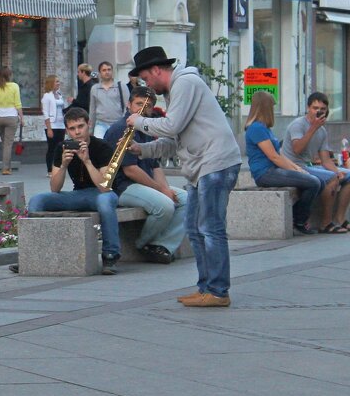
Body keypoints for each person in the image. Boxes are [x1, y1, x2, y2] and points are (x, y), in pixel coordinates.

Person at [127, 45, 242, 308]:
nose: (147, 85)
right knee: (194, 229)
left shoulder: (186, 83)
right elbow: (173, 140)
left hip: (216, 163)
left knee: (211, 229)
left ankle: (218, 290)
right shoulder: (175, 92)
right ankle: (206, 288)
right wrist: (141, 149)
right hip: (201, 167)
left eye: (146, 78)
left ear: (157, 70)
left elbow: (171, 126)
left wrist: (138, 122)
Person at [28, 107, 122, 274]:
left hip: (101, 194)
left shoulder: (103, 147)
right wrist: (63, 165)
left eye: (81, 126)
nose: (77, 132)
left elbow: (105, 187)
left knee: (105, 202)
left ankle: (110, 255)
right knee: (37, 200)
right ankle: (31, 255)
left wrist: (87, 161)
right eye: (72, 129)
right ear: (67, 131)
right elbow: (55, 189)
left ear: (89, 125)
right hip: (77, 195)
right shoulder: (62, 148)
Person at [102, 87, 187, 264]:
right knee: (165, 205)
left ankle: (162, 245)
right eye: (138, 104)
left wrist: (165, 189)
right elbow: (130, 170)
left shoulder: (146, 129)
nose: (142, 109)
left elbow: (155, 167)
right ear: (129, 104)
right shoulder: (120, 128)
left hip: (145, 185)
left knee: (187, 199)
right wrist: (162, 191)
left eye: (147, 105)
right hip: (123, 187)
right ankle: (140, 244)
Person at [243, 91, 321, 236]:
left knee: (313, 180)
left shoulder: (264, 128)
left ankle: (295, 216)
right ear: (265, 107)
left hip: (273, 170)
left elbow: (279, 155)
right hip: (265, 174)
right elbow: (274, 157)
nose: (273, 109)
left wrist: (296, 168)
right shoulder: (256, 128)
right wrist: (298, 171)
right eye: (272, 106)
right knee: (314, 182)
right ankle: (298, 220)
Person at [283, 91, 350, 233]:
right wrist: (313, 128)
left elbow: (325, 160)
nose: (318, 112)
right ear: (308, 108)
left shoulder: (322, 131)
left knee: (347, 175)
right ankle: (325, 223)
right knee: (332, 179)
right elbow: (297, 149)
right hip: (293, 167)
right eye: (315, 108)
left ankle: (339, 219)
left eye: (322, 109)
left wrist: (337, 171)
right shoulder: (298, 125)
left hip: (309, 166)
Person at [0, 67, 23, 175]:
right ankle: (5, 168)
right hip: (11, 117)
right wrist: (22, 117)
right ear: (9, 75)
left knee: (5, 143)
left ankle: (8, 166)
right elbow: (18, 103)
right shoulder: (15, 86)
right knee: (8, 144)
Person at [88, 61, 127, 138]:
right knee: (99, 146)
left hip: (117, 123)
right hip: (100, 123)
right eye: (104, 70)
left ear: (112, 71)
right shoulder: (95, 88)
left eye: (109, 70)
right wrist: (90, 129)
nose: (107, 72)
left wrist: (124, 123)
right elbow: (92, 109)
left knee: (115, 147)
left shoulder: (121, 86)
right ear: (100, 72)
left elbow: (127, 106)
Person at [40, 75, 66, 174]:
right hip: (52, 125)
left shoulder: (59, 94)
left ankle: (58, 167)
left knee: (60, 147)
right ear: (51, 83)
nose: (58, 83)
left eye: (59, 81)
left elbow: (63, 110)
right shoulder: (47, 96)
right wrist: (49, 128)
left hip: (61, 125)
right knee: (52, 148)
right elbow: (45, 112)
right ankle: (50, 170)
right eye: (57, 82)